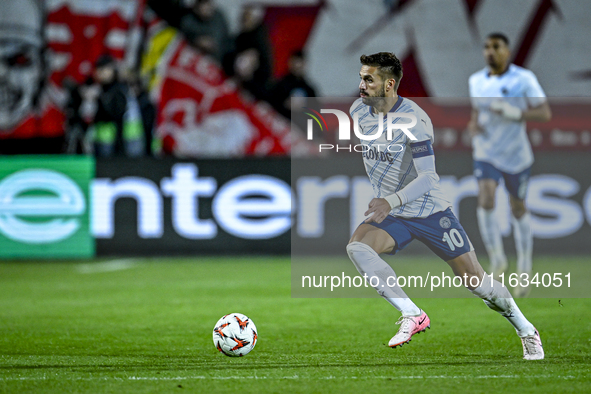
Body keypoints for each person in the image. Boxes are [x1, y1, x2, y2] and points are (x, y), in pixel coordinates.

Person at [346, 52, 544, 360]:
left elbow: (428, 177)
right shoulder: (358, 110)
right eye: (361, 77)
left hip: (429, 212)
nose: (361, 85)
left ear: (389, 84)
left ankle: (526, 329)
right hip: (395, 216)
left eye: (368, 79)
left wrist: (390, 198)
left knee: (477, 284)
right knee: (358, 247)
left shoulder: (415, 120)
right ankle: (412, 314)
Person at [468, 33, 552, 297]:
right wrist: (473, 125)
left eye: (496, 46)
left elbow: (544, 112)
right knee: (486, 198)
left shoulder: (523, 79)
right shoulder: (476, 81)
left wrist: (516, 114)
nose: (490, 51)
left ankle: (524, 268)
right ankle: (497, 260)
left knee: (517, 207)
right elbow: (476, 112)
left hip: (516, 155)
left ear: (507, 51)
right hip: (486, 151)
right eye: (486, 46)